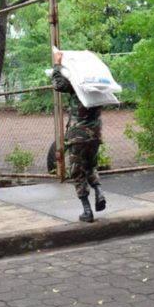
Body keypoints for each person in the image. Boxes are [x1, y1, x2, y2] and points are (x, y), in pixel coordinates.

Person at [51, 51, 107, 223]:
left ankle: (87, 211)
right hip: (95, 135)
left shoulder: (78, 84)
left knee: (77, 171)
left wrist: (57, 64)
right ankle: (99, 192)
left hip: (78, 136)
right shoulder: (98, 87)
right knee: (91, 166)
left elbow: (58, 84)